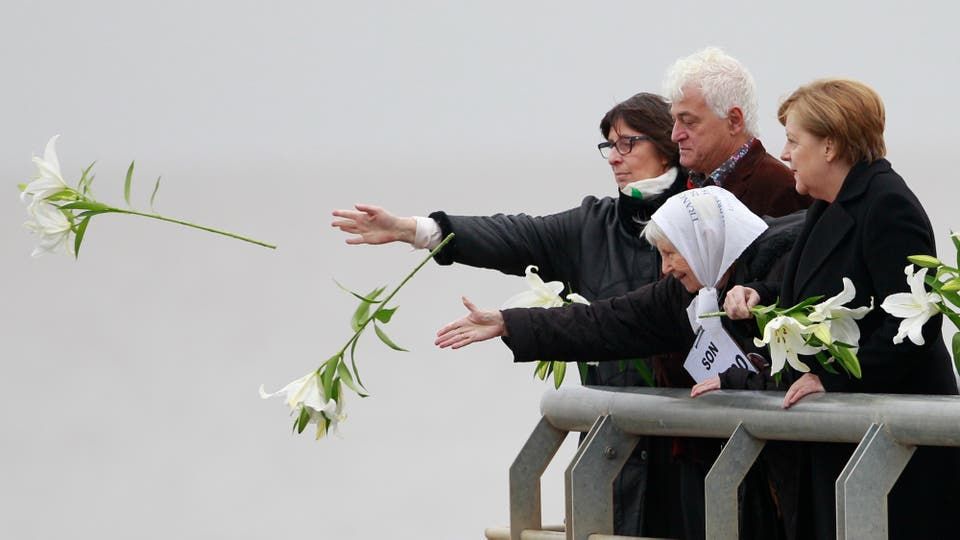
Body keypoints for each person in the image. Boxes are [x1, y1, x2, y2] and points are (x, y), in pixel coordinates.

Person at [332, 93, 691, 538]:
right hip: (611, 460)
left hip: (689, 458)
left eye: (627, 145)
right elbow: (515, 234)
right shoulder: (592, 227)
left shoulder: (705, 217)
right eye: (608, 146)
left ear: (665, 144)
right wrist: (417, 230)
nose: (614, 159)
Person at [435, 187, 806, 539]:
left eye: (672, 253)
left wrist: (740, 383)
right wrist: (507, 322)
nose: (664, 268)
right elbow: (607, 321)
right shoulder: (695, 292)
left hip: (813, 468)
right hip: (760, 476)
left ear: (703, 242)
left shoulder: (786, 263)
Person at [720, 79, 960, 539]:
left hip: (897, 459)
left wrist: (831, 378)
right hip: (846, 444)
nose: (785, 153)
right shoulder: (830, 204)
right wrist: (760, 299)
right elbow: (823, 292)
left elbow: (913, 327)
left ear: (830, 146)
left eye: (794, 140)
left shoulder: (888, 205)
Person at [663, 47, 812, 216]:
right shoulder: (687, 186)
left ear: (734, 121)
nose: (675, 136)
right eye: (675, 120)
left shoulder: (779, 190)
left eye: (689, 121)